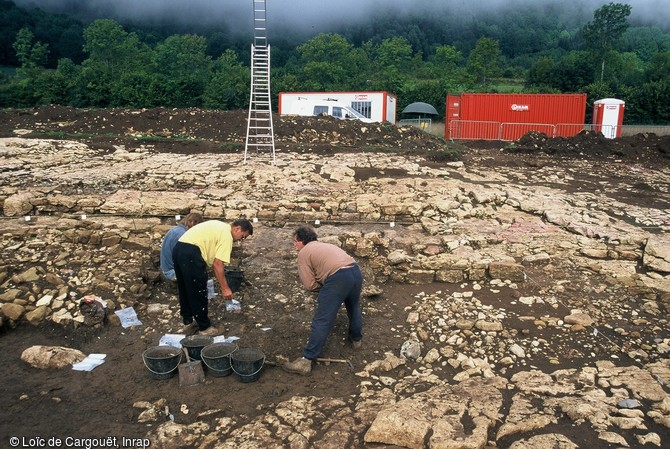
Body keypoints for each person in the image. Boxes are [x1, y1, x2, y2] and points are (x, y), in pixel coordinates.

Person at [283, 225, 363, 376]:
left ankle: (306, 360)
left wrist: (325, 291)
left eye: (295, 241)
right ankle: (356, 340)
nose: (294, 245)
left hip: (338, 277)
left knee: (322, 319)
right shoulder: (325, 245)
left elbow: (309, 284)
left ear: (302, 241)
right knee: (353, 307)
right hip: (355, 271)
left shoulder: (304, 252)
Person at [172, 218, 253, 337]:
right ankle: (204, 328)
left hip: (179, 248)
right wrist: (225, 288)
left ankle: (188, 320)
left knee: (185, 287)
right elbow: (218, 263)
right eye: (243, 236)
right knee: (198, 289)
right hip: (191, 252)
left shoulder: (219, 226)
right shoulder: (227, 235)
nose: (241, 240)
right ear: (237, 228)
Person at [160, 213, 203, 281]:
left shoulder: (175, 230)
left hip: (165, 268)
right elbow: (183, 259)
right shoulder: (183, 235)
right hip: (172, 272)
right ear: (192, 223)